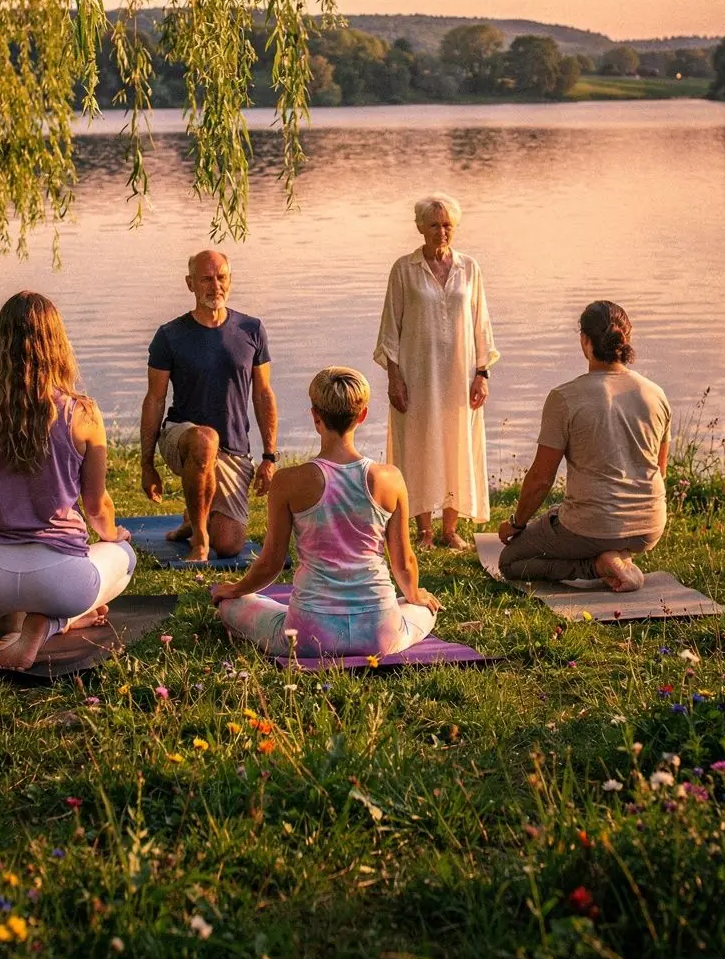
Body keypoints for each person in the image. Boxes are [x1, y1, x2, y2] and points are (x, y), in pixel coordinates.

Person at [0, 292, 136, 671]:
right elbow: (97, 508)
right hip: (62, 582)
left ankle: (15, 616)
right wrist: (114, 535)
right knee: (125, 557)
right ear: (58, 345)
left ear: (0, 345)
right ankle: (49, 621)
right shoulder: (82, 412)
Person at [212, 367, 440, 657]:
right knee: (424, 608)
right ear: (362, 416)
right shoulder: (390, 478)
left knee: (232, 606)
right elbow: (404, 562)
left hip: (308, 636)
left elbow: (271, 563)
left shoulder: (288, 482)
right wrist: (415, 595)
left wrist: (235, 590)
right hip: (380, 633)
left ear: (315, 416)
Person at [498, 301, 671, 592]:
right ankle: (620, 554)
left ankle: (597, 565)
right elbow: (660, 471)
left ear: (584, 341)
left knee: (510, 563)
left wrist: (516, 524)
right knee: (564, 512)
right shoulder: (656, 395)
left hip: (591, 527)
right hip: (649, 527)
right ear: (626, 339)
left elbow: (541, 480)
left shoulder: (565, 397)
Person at [374, 192, 499, 551]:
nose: (441, 232)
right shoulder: (404, 269)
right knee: (417, 444)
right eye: (434, 225)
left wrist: (482, 373)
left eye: (447, 225)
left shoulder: (469, 268)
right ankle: (424, 532)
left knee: (456, 442)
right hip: (416, 375)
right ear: (420, 228)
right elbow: (390, 329)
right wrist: (393, 377)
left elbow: (481, 326)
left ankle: (449, 529)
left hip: (460, 376)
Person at [140, 250, 278, 561]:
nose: (215, 285)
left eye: (221, 277)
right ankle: (199, 539)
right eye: (206, 279)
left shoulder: (251, 330)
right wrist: (147, 464)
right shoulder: (169, 335)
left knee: (229, 545)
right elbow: (154, 399)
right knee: (205, 440)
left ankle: (192, 520)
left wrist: (269, 456)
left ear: (230, 281)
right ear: (190, 284)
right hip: (182, 437)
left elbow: (263, 394)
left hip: (233, 448)